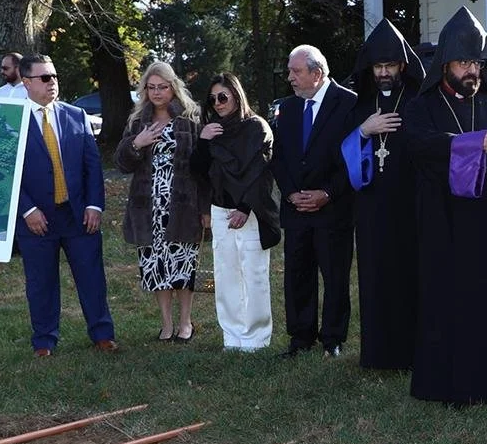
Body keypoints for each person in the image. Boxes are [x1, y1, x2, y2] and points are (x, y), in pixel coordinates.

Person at [393, 7, 487, 405]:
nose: (472, 70)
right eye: (463, 62)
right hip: (443, 221)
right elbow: (418, 146)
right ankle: (447, 385)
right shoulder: (422, 107)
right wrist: (474, 143)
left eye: (477, 62)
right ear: (445, 65)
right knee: (447, 301)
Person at [14, 54, 116, 357]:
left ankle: (102, 334)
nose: (52, 83)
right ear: (26, 82)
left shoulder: (75, 115)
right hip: (36, 218)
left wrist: (95, 205)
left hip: (78, 216)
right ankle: (44, 341)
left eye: (54, 76)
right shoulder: (11, 121)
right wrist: (27, 210)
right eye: (45, 78)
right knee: (40, 282)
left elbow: (92, 165)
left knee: (92, 276)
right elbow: (8, 171)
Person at [341, 18, 425, 370]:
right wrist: (365, 129)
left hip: (410, 203)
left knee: (410, 275)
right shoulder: (361, 105)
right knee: (375, 276)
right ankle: (378, 354)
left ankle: (411, 351)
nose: (385, 72)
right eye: (379, 66)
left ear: (402, 66)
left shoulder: (418, 102)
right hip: (372, 206)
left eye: (391, 65)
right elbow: (342, 152)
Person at [271, 45, 358, 358]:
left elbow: (353, 158)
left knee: (334, 276)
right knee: (297, 274)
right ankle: (300, 338)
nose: (290, 78)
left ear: (317, 74)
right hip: (296, 209)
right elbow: (279, 156)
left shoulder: (349, 103)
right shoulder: (289, 108)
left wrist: (327, 194)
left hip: (333, 209)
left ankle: (332, 339)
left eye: (296, 71)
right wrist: (291, 192)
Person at [117, 62, 210, 342]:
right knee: (155, 265)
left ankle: (185, 322)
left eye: (163, 87)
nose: (157, 92)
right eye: (152, 87)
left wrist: (205, 208)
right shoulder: (137, 121)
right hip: (148, 206)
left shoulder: (190, 119)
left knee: (183, 263)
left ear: (173, 88)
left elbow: (204, 168)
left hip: (183, 204)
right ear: (145, 89)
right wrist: (137, 143)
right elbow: (121, 163)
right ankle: (166, 323)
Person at [191, 72, 282, 352]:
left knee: (253, 274)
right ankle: (232, 337)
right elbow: (197, 171)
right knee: (226, 275)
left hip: (250, 211)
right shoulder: (212, 130)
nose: (218, 104)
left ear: (236, 96)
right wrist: (204, 140)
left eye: (223, 97)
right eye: (213, 99)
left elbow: (262, 172)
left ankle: (256, 338)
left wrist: (245, 208)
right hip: (220, 210)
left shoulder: (256, 128)